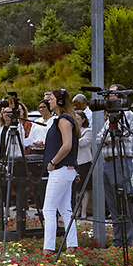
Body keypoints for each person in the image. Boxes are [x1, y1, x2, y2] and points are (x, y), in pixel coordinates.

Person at [99, 86, 133, 249]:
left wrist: (107, 137)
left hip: (121, 160)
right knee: (113, 205)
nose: (109, 96)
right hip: (108, 161)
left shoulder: (127, 115)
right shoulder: (110, 117)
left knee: (124, 203)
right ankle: (118, 241)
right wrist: (107, 138)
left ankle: (128, 242)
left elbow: (117, 134)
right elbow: (99, 138)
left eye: (112, 93)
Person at [40, 88, 79, 252]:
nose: (49, 101)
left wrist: (53, 162)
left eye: (52, 99)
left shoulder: (63, 119)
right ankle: (72, 245)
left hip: (61, 169)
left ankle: (48, 248)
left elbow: (67, 145)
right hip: (66, 170)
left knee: (48, 210)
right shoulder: (65, 119)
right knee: (65, 209)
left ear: (60, 102)